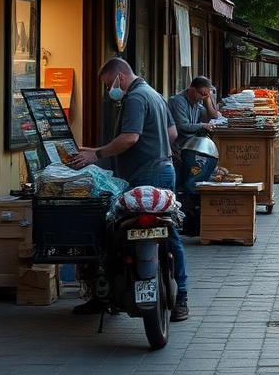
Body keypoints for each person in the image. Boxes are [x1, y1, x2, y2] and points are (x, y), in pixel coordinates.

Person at [70, 57, 191, 322]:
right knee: (168, 232)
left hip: (144, 176)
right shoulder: (156, 95)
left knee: (121, 230)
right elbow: (171, 134)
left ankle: (104, 292)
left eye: (107, 84)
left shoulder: (135, 98)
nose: (108, 91)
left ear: (120, 78)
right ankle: (180, 298)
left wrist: (96, 155)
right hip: (164, 169)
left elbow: (130, 137)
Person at [167, 75, 220, 194]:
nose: (202, 97)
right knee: (181, 181)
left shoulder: (197, 104)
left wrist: (207, 100)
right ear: (191, 89)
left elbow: (213, 116)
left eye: (205, 95)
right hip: (178, 147)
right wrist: (202, 126)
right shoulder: (177, 101)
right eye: (201, 93)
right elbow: (182, 126)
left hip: (191, 146)